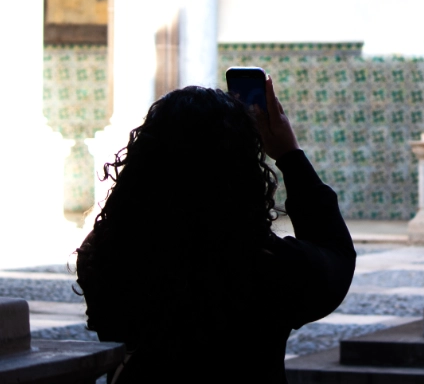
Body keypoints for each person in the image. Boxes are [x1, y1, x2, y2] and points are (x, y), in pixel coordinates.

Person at [76, 77, 356, 383]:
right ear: (243, 173)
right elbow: (336, 255)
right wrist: (290, 155)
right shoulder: (265, 266)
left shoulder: (105, 256)